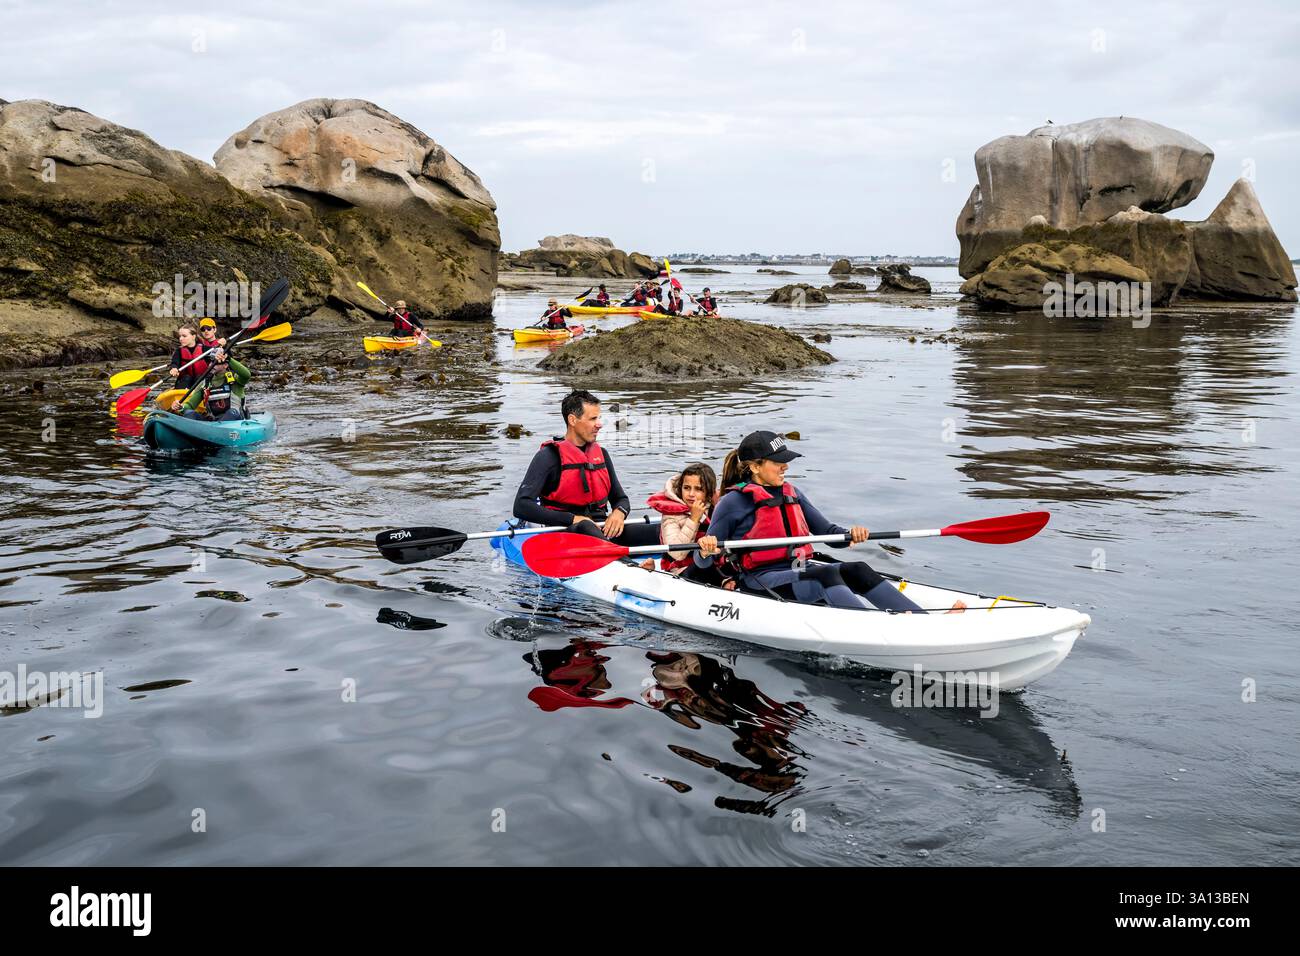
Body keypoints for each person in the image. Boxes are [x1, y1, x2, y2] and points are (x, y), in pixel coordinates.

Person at [696, 431, 964, 613]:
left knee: (857, 568)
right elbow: (705, 561)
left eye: (785, 462)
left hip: (799, 568)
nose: (785, 467)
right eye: (777, 462)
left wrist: (852, 534)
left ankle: (919, 618)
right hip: (760, 580)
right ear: (755, 467)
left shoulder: (793, 493)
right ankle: (873, 626)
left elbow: (827, 532)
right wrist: (707, 547)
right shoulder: (733, 503)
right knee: (825, 573)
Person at [513, 389, 661, 546]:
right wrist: (573, 519)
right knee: (586, 526)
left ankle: (677, 566)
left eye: (599, 418)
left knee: (660, 531)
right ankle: (624, 562)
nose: (599, 424)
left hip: (602, 529)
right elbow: (522, 506)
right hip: (566, 532)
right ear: (572, 420)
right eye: (593, 419)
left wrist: (619, 513)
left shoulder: (601, 454)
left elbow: (621, 499)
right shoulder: (548, 456)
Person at [644, 463, 728, 584]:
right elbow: (677, 554)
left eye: (698, 489)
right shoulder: (671, 514)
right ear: (680, 488)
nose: (691, 494)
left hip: (713, 564)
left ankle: (726, 580)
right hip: (680, 570)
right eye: (687, 488)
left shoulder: (716, 507)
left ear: (708, 492)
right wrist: (694, 519)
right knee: (701, 566)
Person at [171, 348, 250, 422]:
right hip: (214, 423)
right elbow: (190, 405)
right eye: (210, 362)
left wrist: (229, 359)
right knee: (189, 413)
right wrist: (181, 407)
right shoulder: (205, 383)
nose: (211, 365)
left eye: (215, 362)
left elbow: (246, 375)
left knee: (231, 412)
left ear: (225, 365)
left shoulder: (235, 379)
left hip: (236, 421)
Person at [167, 325, 208, 390]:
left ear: (193, 337)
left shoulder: (205, 349)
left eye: (184, 336)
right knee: (187, 377)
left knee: (199, 377)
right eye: (180, 336)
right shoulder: (179, 351)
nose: (180, 339)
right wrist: (174, 368)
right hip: (185, 382)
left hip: (200, 382)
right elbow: (175, 363)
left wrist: (222, 345)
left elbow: (219, 353)